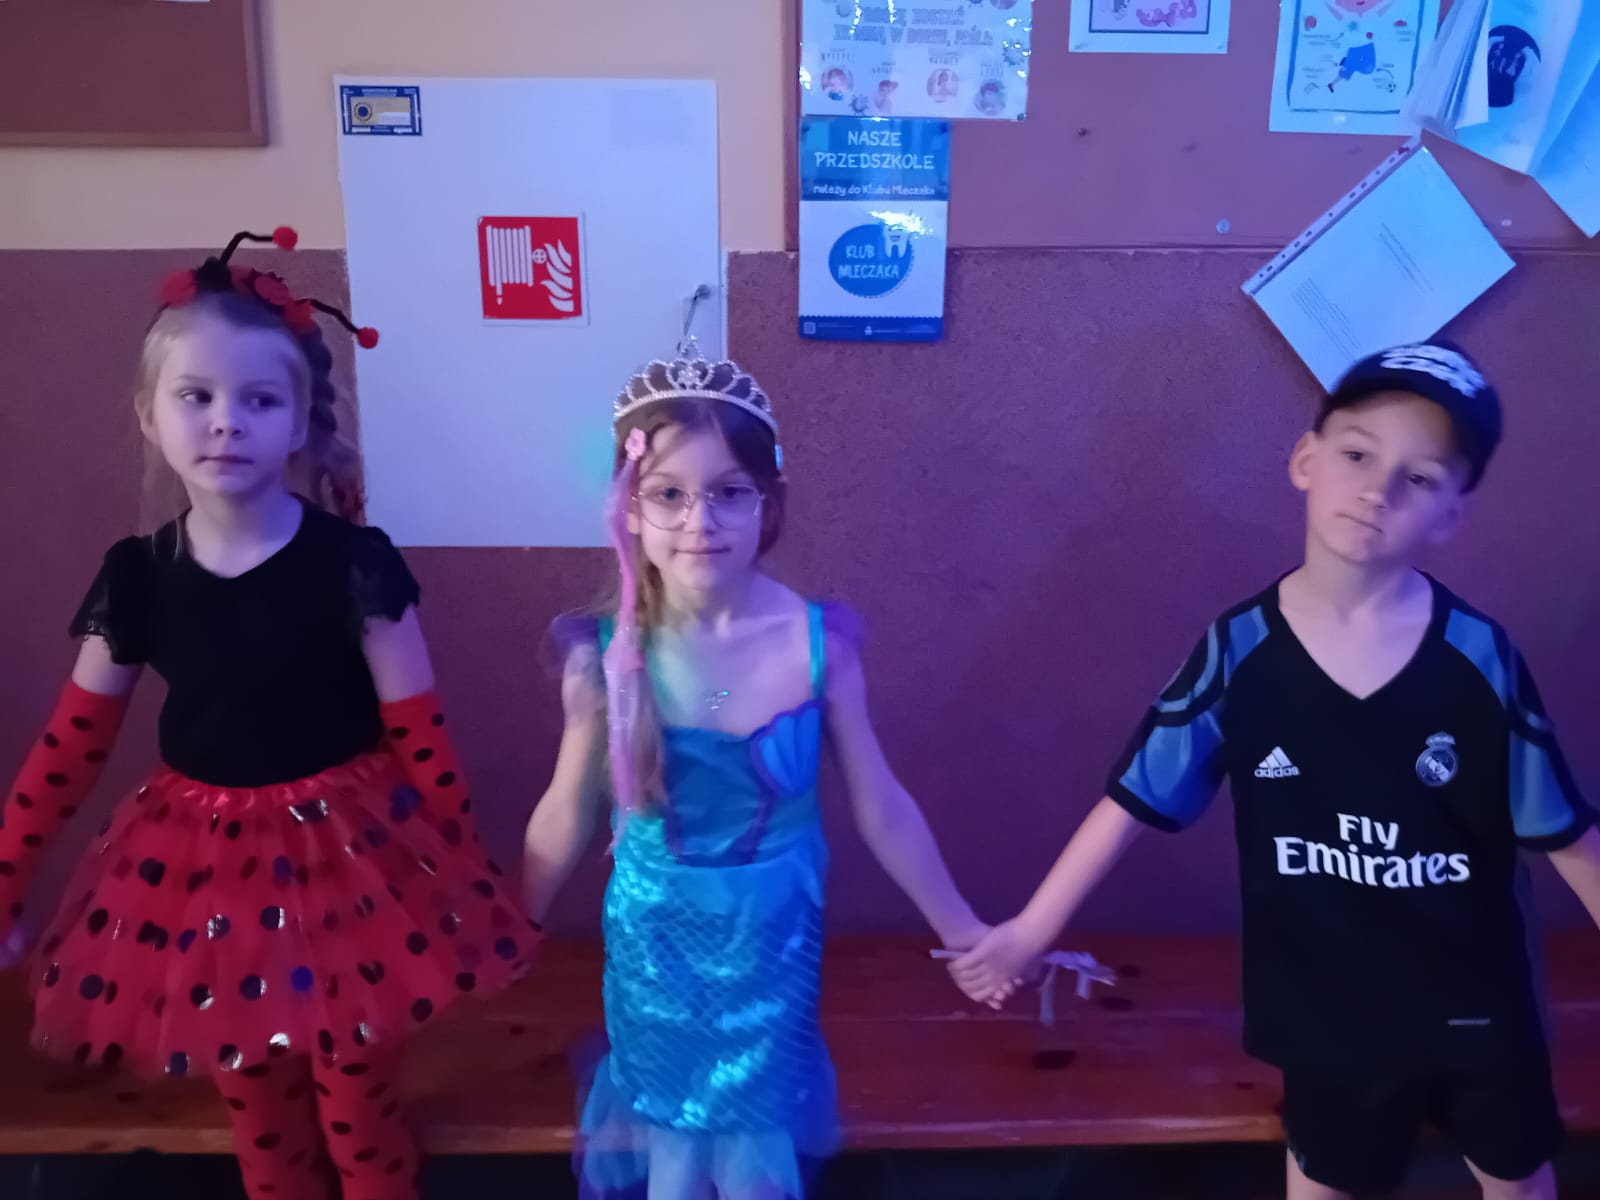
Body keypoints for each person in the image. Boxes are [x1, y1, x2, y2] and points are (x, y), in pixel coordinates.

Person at [952, 341, 1600, 1200]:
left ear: (1451, 514)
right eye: (1358, 454)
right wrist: (1031, 931)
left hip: (1479, 1009)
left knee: (1519, 1182)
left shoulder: (1480, 658)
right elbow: (1136, 796)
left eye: (1419, 478)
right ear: (1306, 459)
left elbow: (1563, 830)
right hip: (1326, 1017)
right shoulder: (1239, 649)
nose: (1377, 490)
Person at [0, 228, 537, 1200]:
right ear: (149, 415)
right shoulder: (140, 576)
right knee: (256, 1105)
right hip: (201, 876)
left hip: (353, 865)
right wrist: (7, 880)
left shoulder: (354, 564)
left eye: (258, 400)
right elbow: (72, 745)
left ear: (297, 425)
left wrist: (459, 871)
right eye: (196, 397)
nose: (225, 423)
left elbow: (420, 734)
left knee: (357, 1102)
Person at [524, 339, 987, 1199]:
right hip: (655, 950)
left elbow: (881, 804)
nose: (699, 521)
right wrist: (512, 926)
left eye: (728, 493)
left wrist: (962, 930)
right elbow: (565, 810)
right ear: (629, 507)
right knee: (673, 1151)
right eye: (668, 494)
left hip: (771, 947)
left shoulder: (818, 647)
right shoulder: (604, 661)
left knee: (752, 1158)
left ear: (766, 504)